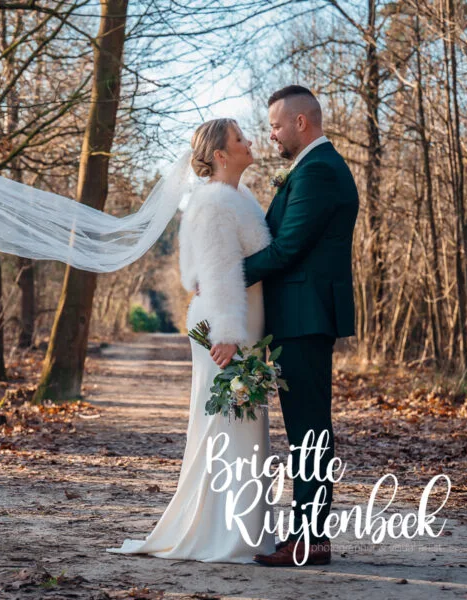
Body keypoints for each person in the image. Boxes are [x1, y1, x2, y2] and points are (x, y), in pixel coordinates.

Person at [108, 118, 276, 562]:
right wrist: (228, 336)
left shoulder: (240, 196)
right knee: (230, 423)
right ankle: (224, 534)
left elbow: (194, 274)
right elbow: (217, 271)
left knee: (244, 425)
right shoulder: (215, 201)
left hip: (239, 323)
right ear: (221, 155)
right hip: (227, 328)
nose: (250, 142)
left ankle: (241, 528)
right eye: (240, 139)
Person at [248, 85, 358, 567]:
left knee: (309, 432)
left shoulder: (316, 171)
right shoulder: (314, 168)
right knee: (306, 431)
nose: (270, 134)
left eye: (274, 125)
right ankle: (311, 535)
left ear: (300, 123)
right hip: (301, 316)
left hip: (306, 316)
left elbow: (287, 248)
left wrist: (225, 277)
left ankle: (309, 539)